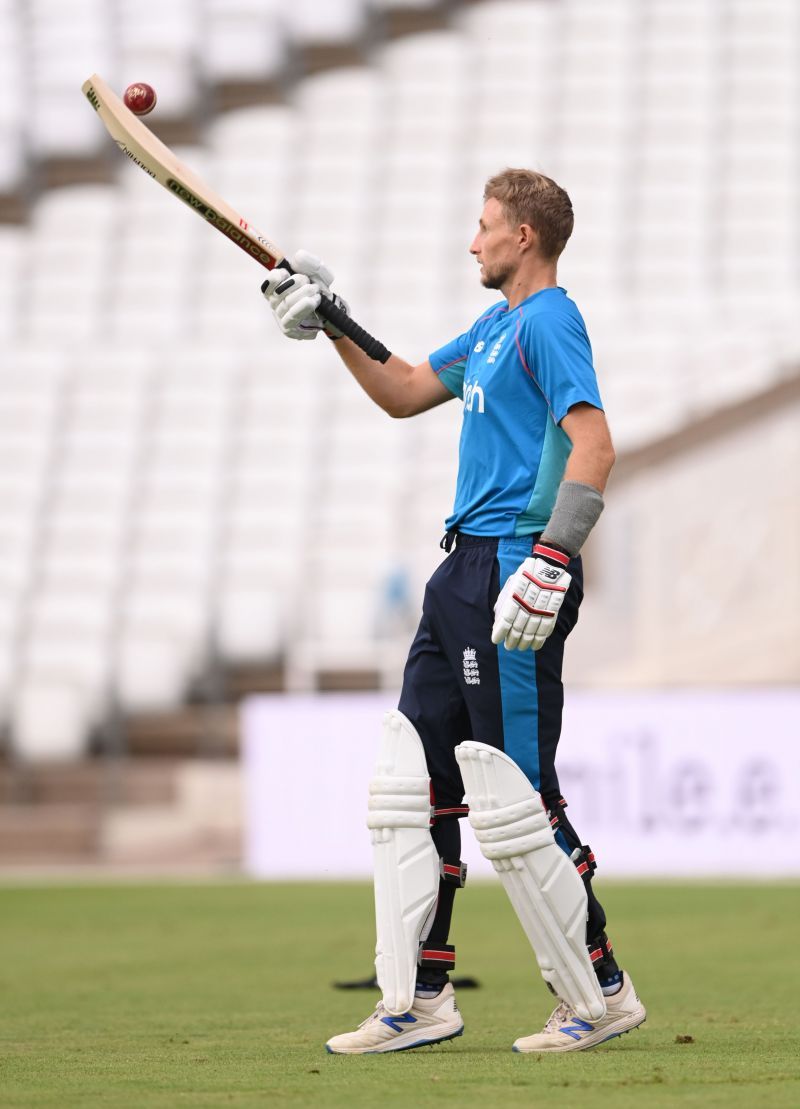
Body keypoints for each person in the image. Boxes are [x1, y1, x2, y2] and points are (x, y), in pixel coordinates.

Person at [262, 168, 646, 1054]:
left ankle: (602, 993)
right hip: (460, 569)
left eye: (484, 227)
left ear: (525, 238)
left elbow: (595, 444)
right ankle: (420, 998)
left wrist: (552, 558)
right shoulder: (493, 325)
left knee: (516, 798)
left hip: (514, 565)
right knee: (412, 790)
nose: (472, 241)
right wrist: (333, 321)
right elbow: (400, 388)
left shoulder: (551, 319)